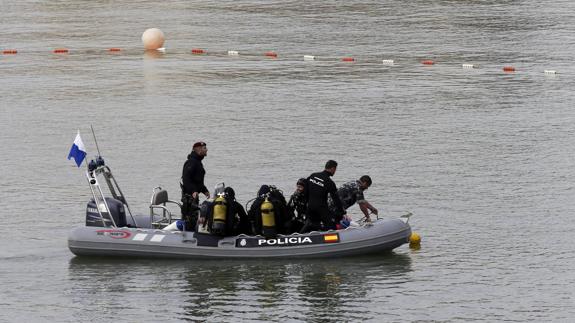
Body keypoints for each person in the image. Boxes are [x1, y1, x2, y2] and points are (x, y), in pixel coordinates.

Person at [300, 160, 345, 233]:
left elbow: (305, 191)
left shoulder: (313, 175)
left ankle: (299, 236)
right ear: (333, 169)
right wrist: (342, 212)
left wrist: (307, 203)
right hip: (321, 208)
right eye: (335, 169)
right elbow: (336, 199)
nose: (335, 171)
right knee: (331, 227)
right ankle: (332, 242)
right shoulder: (329, 182)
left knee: (312, 223)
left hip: (310, 207)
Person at [180, 141, 210, 231]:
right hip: (189, 198)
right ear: (199, 150)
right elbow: (186, 179)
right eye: (205, 148)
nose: (207, 150)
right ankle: (187, 232)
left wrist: (205, 190)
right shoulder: (191, 162)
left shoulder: (198, 162)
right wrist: (193, 190)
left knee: (195, 215)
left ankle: (192, 229)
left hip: (194, 196)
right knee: (190, 218)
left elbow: (198, 181)